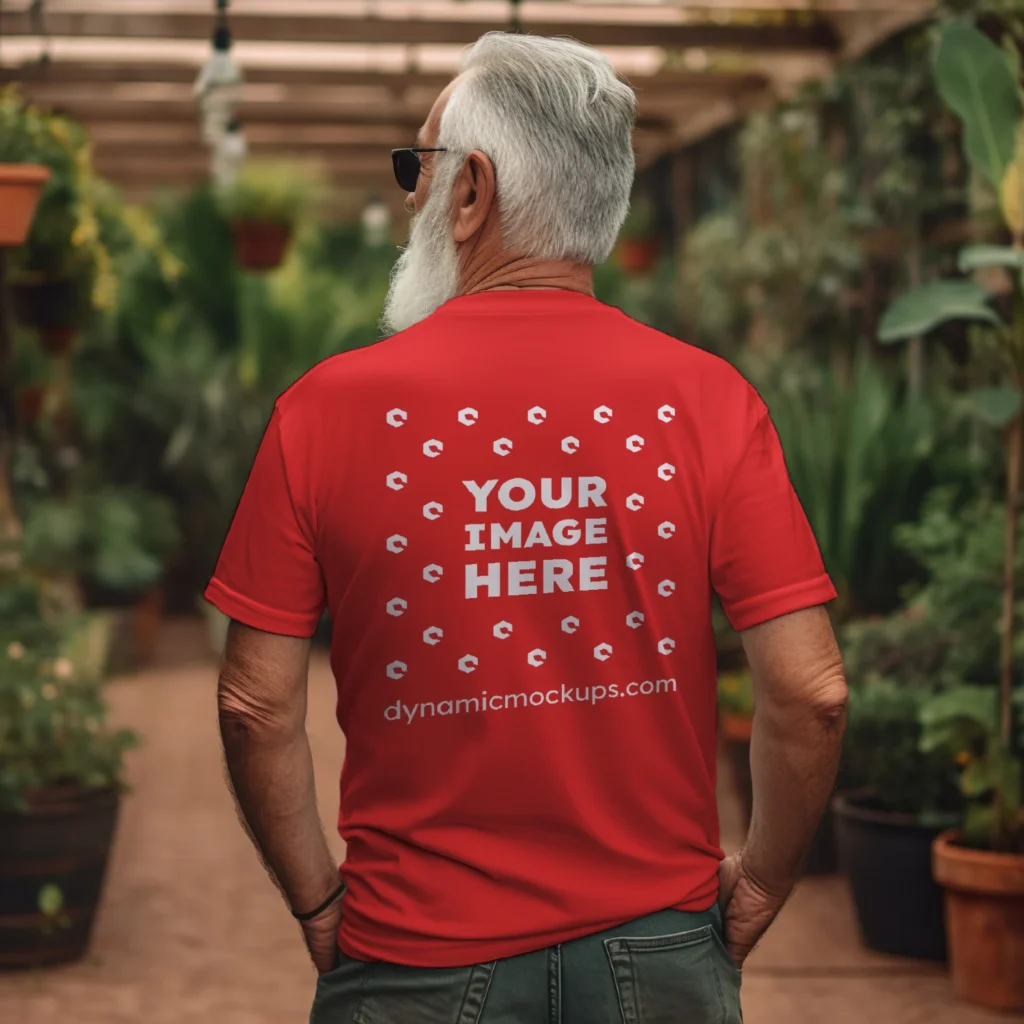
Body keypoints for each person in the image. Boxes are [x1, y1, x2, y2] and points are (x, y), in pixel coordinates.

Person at [208, 31, 847, 1024]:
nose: (409, 197)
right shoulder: (709, 401)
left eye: (419, 168)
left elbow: (254, 704)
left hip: (412, 956)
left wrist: (317, 897)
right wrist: (758, 881)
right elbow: (810, 691)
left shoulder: (322, 413)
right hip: (659, 953)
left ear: (471, 193)